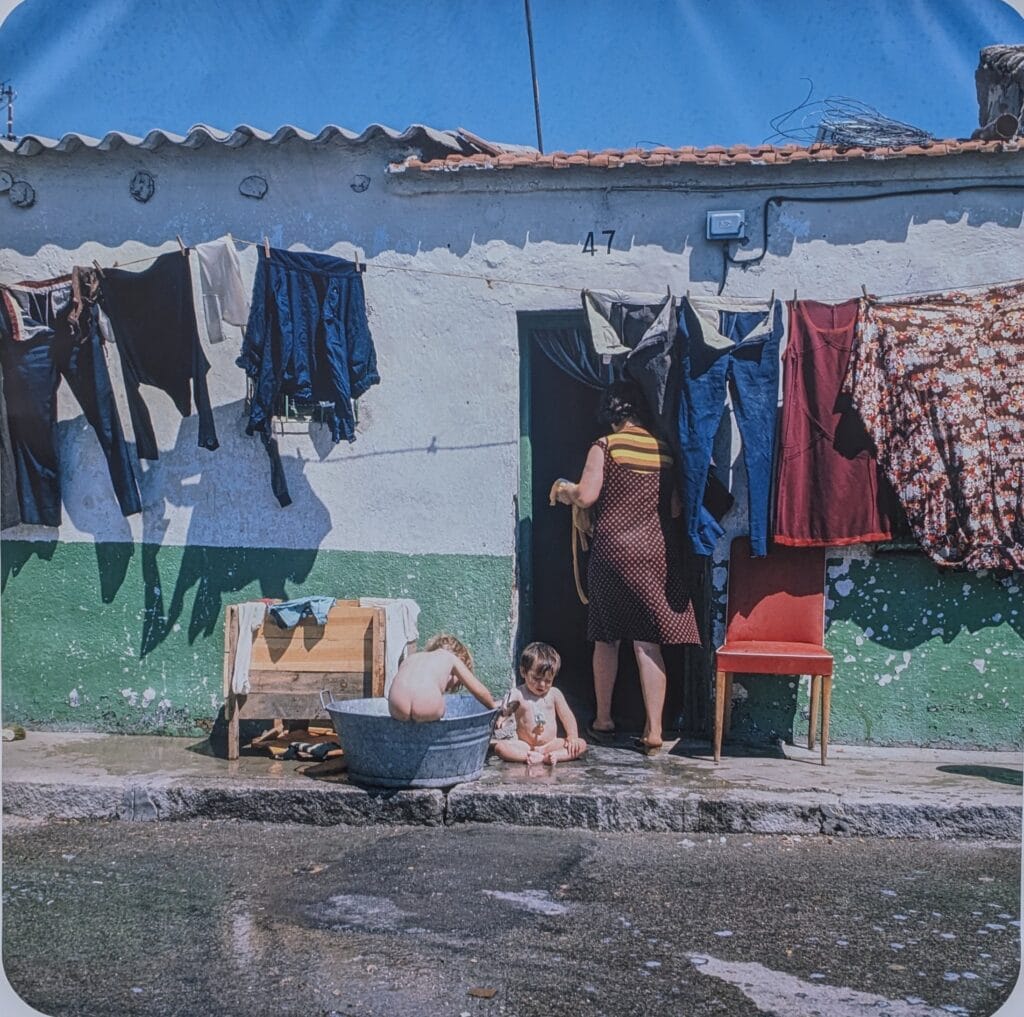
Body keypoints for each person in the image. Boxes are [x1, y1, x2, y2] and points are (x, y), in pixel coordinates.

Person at [551, 382, 701, 754]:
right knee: (648, 643)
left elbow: (586, 495)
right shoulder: (663, 450)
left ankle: (603, 720)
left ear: (611, 412)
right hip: (655, 552)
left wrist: (563, 490)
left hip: (613, 553)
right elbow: (677, 508)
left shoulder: (606, 445)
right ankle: (654, 731)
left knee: (607, 636)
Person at [492, 641, 587, 766]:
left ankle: (552, 756)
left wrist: (572, 736)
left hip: (550, 744)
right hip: (525, 745)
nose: (542, 685)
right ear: (523, 672)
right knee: (500, 748)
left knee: (581, 744)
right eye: (536, 678)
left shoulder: (554, 694)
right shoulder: (519, 693)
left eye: (548, 680)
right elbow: (508, 703)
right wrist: (503, 716)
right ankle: (530, 756)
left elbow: (567, 716)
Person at [387, 633, 497, 722]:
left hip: (396, 703)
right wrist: (493, 706)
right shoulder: (451, 658)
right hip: (428, 703)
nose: (450, 688)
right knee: (439, 715)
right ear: (453, 674)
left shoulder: (412, 658)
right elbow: (478, 690)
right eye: (457, 682)